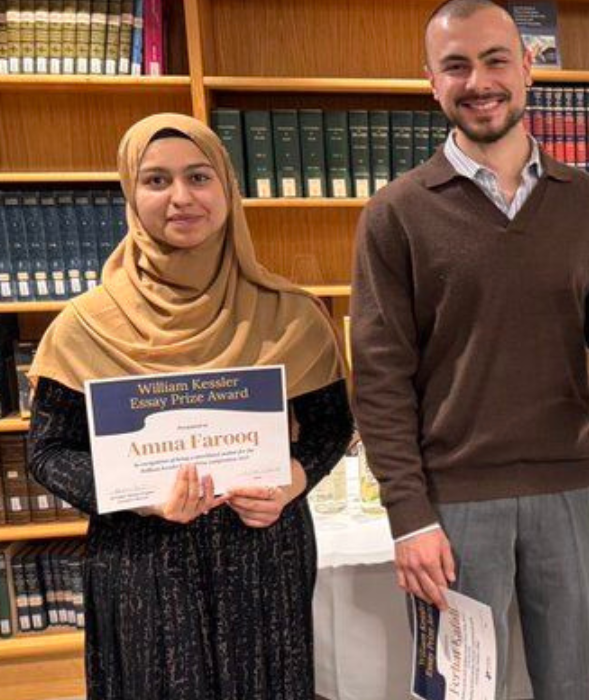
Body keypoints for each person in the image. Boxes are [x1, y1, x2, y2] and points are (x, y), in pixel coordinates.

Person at [348, 1, 589, 697]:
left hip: (571, 489)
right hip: (454, 504)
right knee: (460, 693)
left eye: (494, 60)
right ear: (432, 82)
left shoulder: (587, 200)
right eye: (456, 65)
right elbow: (379, 377)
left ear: (527, 68)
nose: (478, 81)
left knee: (582, 687)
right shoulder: (396, 213)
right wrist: (409, 517)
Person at [25, 113, 354, 700]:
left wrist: (293, 479)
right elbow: (48, 452)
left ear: (226, 189)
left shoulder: (292, 314)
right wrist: (135, 495)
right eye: (156, 180)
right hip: (144, 561)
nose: (181, 198)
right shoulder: (85, 327)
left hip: (262, 555)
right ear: (130, 193)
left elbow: (331, 427)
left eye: (199, 177)